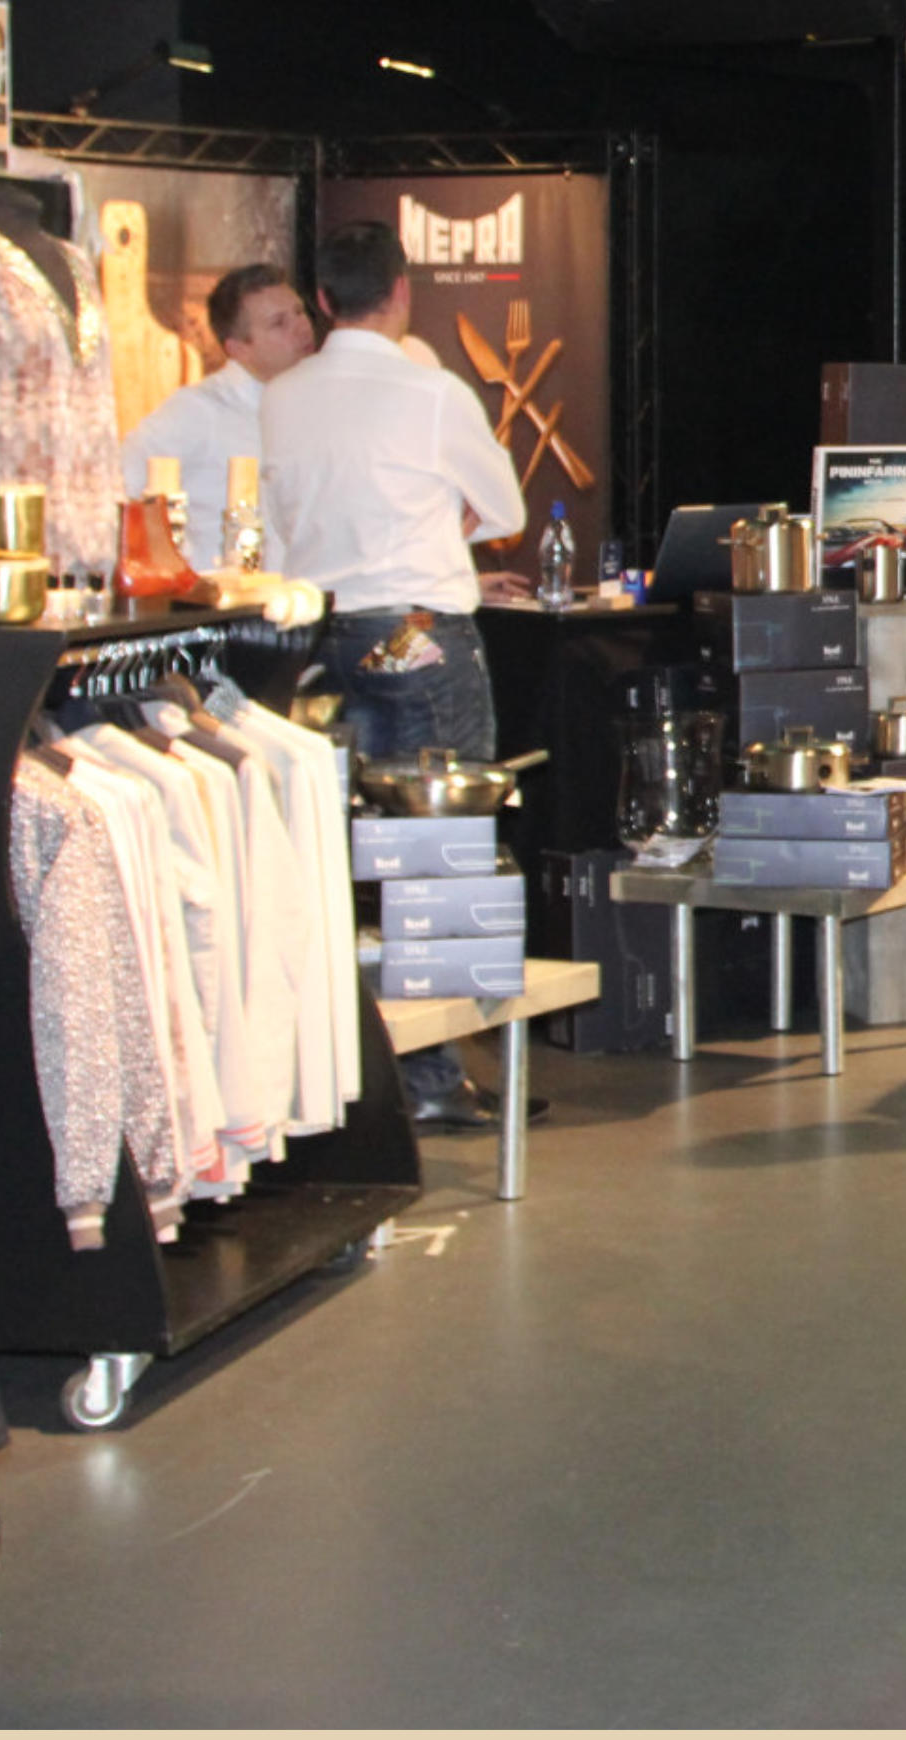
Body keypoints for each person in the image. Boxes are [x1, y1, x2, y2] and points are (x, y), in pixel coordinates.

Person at [263, 220, 526, 1130]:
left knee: (342, 852)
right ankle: (432, 1077)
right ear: (403, 290)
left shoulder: (282, 396)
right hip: (413, 634)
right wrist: (432, 524)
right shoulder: (432, 392)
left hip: (323, 638)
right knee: (439, 853)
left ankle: (355, 1071)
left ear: (322, 300)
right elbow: (505, 509)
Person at [118, 261, 319, 571]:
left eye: (299, 312)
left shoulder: (311, 404)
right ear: (238, 348)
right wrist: (178, 567)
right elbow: (123, 479)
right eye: (279, 323)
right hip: (221, 596)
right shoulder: (199, 409)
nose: (301, 327)